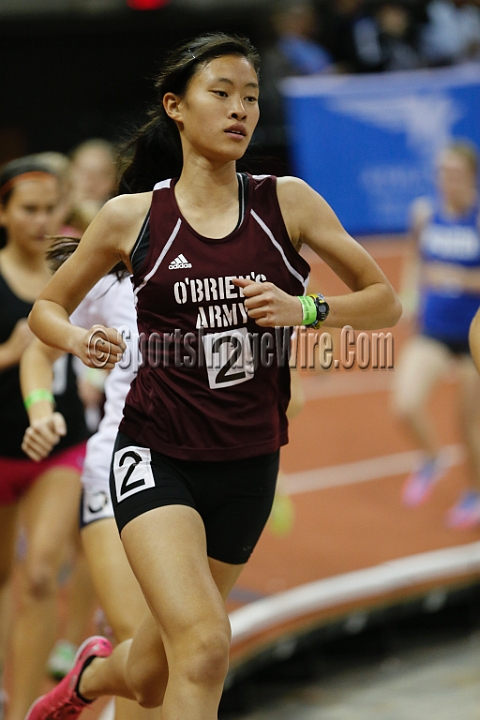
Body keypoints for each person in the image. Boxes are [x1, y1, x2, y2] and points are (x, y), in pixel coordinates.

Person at [24, 32, 401, 720]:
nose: (239, 111)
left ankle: (90, 679)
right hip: (155, 452)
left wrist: (306, 308)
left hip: (249, 460)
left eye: (251, 98)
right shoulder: (132, 217)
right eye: (221, 94)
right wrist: (80, 341)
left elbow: (384, 301)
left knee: (155, 671)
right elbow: (45, 310)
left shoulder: (287, 202)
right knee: (203, 645)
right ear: (176, 106)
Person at [21, 239, 160, 720]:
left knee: (171, 655)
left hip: (194, 475)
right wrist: (41, 412)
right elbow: (38, 355)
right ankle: (87, 678)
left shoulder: (232, 266)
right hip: (116, 469)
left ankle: (90, 676)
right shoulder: (112, 279)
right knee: (137, 636)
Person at [0, 156, 88, 720]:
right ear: (4, 213)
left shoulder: (74, 268)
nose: (40, 221)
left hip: (59, 444)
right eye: (28, 210)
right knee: (3, 576)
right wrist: (11, 350)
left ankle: (23, 711)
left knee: (37, 576)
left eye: (49, 209)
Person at [392, 141, 480, 528]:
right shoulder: (425, 214)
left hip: (474, 338)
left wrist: (460, 279)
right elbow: (416, 257)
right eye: (442, 172)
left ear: (472, 177)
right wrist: (409, 297)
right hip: (434, 330)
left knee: (470, 426)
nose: (448, 180)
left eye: (456, 173)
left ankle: (476, 492)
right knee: (405, 405)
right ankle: (432, 457)